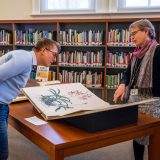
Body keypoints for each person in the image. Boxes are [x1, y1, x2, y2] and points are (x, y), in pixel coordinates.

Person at [0, 38, 60, 160]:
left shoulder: (25, 57)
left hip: (3, 105)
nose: (54, 60)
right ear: (43, 50)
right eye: (54, 55)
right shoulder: (25, 59)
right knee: (2, 153)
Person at [113, 19, 160, 160]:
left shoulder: (158, 51)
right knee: (137, 137)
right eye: (130, 34)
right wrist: (122, 85)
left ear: (146, 31)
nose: (131, 37)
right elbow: (127, 74)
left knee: (154, 138)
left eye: (134, 33)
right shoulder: (136, 53)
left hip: (153, 102)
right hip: (134, 101)